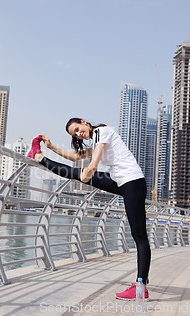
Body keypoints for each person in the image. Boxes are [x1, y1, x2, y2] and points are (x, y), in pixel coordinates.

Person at [26, 117, 151, 301]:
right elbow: (75, 157)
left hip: (132, 182)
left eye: (77, 128)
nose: (78, 134)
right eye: (75, 133)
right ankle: (38, 156)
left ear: (84, 122)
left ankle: (141, 287)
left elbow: (96, 158)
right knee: (75, 173)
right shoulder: (95, 139)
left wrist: (89, 171)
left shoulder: (102, 132)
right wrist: (51, 147)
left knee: (139, 236)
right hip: (121, 181)